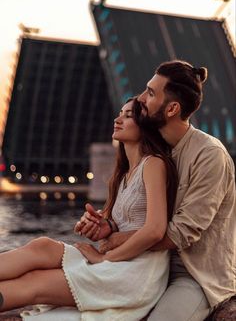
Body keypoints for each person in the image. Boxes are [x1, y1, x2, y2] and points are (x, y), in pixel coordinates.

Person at [78, 60, 236, 321]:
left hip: (192, 275)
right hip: (146, 264)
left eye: (151, 93)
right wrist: (107, 225)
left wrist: (116, 242)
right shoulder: (153, 150)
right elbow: (139, 214)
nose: (140, 98)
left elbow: (181, 233)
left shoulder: (209, 155)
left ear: (172, 108)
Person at [0, 97, 178, 321]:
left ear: (145, 127)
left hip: (135, 273)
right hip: (118, 261)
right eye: (120, 113)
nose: (118, 119)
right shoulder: (122, 174)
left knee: (35, 282)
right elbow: (126, 222)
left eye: (128, 116)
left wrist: (105, 259)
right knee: (42, 245)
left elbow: (154, 230)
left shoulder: (154, 164)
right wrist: (104, 225)